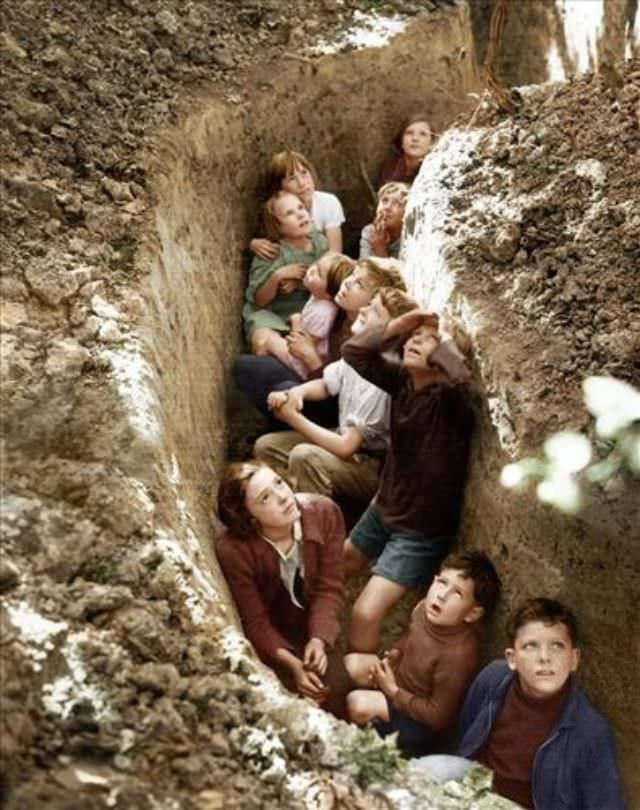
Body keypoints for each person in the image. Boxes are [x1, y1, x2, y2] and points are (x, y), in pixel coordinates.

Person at [342, 308, 474, 653]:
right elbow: (353, 352)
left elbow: (461, 381)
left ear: (444, 357)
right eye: (414, 336)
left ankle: (361, 674)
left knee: (364, 613)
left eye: (429, 339)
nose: (416, 340)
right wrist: (400, 323)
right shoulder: (402, 382)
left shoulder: (449, 402)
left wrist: (445, 340)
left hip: (419, 531)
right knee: (341, 563)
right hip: (384, 506)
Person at [418, 598, 626, 810]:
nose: (544, 657)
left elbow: (607, 804)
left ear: (574, 659)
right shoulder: (493, 679)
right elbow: (467, 728)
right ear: (512, 658)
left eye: (557, 646)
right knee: (427, 768)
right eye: (530, 646)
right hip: (478, 789)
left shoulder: (590, 731)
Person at [255, 287, 418, 503]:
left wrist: (293, 418)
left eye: (375, 311)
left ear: (390, 334)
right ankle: (293, 500)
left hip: (370, 465)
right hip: (342, 437)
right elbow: (326, 384)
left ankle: (320, 516)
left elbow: (346, 447)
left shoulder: (379, 383)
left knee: (305, 457)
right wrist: (296, 393)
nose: (364, 310)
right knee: (265, 447)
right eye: (369, 304)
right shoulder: (358, 355)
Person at [216, 461, 347, 716]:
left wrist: (319, 638)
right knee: (292, 705)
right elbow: (255, 621)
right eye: (265, 498)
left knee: (337, 689)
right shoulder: (233, 551)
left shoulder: (324, 512)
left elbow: (329, 588)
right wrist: (292, 664)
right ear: (249, 517)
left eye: (279, 482)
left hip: (314, 620)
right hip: (273, 635)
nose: (283, 496)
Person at [344, 551, 501, 756]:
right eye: (442, 582)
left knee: (357, 703)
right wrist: (393, 657)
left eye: (457, 593)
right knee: (351, 664)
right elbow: (407, 639)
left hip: (417, 722)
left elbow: (438, 717)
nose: (442, 595)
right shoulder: (423, 609)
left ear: (472, 613)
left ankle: (374, 750)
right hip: (396, 686)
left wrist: (392, 691)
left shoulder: (458, 656)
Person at [233, 257, 408, 429]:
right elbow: (317, 279)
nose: (348, 282)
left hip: (334, 406)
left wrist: (311, 358)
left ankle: (285, 430)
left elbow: (338, 394)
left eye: (359, 284)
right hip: (311, 378)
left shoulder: (366, 340)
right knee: (248, 367)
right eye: (353, 275)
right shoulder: (338, 307)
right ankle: (279, 421)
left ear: (373, 301)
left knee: (284, 389)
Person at [242, 190, 327, 364]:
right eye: (289, 213)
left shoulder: (319, 242)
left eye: (301, 208)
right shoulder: (271, 253)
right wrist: (277, 276)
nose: (300, 215)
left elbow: (330, 278)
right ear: (278, 227)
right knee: (261, 340)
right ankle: (291, 359)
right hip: (274, 314)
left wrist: (301, 282)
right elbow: (259, 301)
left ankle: (303, 359)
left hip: (307, 313)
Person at [250, 150, 345, 259]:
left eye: (304, 173)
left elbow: (335, 252)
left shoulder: (328, 202)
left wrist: (313, 268)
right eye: (292, 179)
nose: (302, 183)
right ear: (280, 188)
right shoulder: (275, 209)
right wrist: (254, 244)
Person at [285, 253, 354, 379]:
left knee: (267, 339)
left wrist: (296, 320)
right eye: (316, 264)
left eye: (319, 274)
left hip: (302, 366)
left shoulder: (322, 313)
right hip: (298, 351)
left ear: (329, 294)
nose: (312, 270)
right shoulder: (318, 295)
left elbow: (304, 343)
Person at [378, 112, 433, 188]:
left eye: (423, 134)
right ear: (401, 142)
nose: (415, 138)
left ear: (431, 143)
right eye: (409, 133)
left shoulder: (433, 170)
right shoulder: (392, 168)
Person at [360, 182, 410, 260]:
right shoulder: (370, 231)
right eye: (384, 201)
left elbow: (398, 268)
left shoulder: (410, 239)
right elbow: (364, 265)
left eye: (397, 203)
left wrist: (380, 249)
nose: (387, 207)